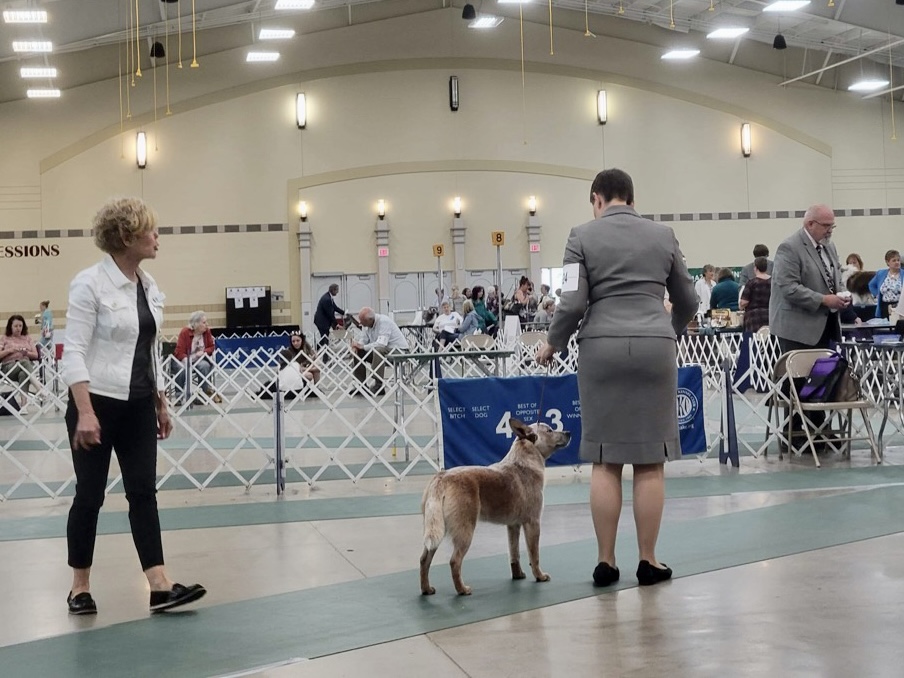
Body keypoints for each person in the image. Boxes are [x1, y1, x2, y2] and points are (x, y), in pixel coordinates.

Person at [535, 168, 696, 588]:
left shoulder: (581, 236)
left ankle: (605, 562)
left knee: (605, 460)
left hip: (601, 349)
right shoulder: (664, 236)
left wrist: (553, 344)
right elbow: (689, 299)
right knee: (650, 462)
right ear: (631, 196)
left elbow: (571, 304)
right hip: (654, 349)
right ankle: (649, 560)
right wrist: (667, 332)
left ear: (597, 199)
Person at [60, 197, 205, 616]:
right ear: (126, 236)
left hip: (141, 403)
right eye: (150, 230)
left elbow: (149, 351)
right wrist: (85, 411)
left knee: (144, 493)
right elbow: (73, 352)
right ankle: (79, 587)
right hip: (97, 403)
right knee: (89, 496)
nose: (157, 237)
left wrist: (160, 400)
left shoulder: (149, 285)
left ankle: (159, 585)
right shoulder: (89, 283)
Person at [769, 204, 848, 351]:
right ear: (810, 224)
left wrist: (842, 295)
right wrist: (824, 300)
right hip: (797, 331)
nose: (830, 231)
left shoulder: (830, 246)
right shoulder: (789, 247)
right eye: (826, 226)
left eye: (832, 226)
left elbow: (835, 275)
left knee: (827, 373)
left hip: (827, 327)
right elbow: (789, 288)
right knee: (799, 374)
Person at [350, 307, 409, 396]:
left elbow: (381, 344)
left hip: (399, 351)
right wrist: (358, 346)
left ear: (370, 320)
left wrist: (363, 346)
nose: (360, 323)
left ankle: (379, 384)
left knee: (378, 350)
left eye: (362, 321)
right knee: (360, 352)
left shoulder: (384, 322)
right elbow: (363, 339)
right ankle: (361, 385)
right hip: (383, 352)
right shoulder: (366, 325)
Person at [173, 311, 221, 404]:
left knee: (204, 366)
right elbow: (179, 351)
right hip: (184, 359)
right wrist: (187, 360)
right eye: (204, 322)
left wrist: (203, 352)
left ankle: (203, 394)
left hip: (200, 359)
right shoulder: (185, 332)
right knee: (181, 368)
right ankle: (179, 395)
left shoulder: (207, 332)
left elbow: (211, 347)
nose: (207, 324)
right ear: (196, 324)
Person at [259, 331, 320, 399]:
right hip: (296, 373)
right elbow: (287, 368)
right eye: (293, 341)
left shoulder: (310, 351)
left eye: (297, 340)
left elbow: (318, 367)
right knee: (309, 375)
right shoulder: (289, 352)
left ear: (302, 340)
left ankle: (315, 388)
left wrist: (306, 368)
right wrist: (303, 368)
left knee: (316, 371)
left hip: (302, 371)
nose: (295, 343)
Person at [0, 315, 41, 414]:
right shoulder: (4, 338)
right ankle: (39, 389)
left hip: (24, 367)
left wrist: (25, 353)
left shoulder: (28, 338)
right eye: (16, 326)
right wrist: (9, 350)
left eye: (20, 326)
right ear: (10, 326)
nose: (18, 328)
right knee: (24, 362)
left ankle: (23, 405)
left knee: (24, 373)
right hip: (8, 368)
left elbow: (35, 355)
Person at [739, 256, 771, 333]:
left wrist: (741, 306)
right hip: (769, 316)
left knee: (749, 343)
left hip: (753, 318)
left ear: (755, 268)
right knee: (769, 343)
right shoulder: (773, 282)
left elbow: (744, 302)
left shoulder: (751, 283)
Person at [868, 250, 902, 319]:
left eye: (898, 260)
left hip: (900, 307)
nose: (897, 262)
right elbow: (871, 285)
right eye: (894, 260)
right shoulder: (881, 273)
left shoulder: (903, 274)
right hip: (884, 307)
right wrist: (877, 294)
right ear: (887, 262)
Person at [314, 284, 345, 349]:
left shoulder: (328, 297)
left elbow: (335, 307)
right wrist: (336, 324)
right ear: (333, 290)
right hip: (322, 322)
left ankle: (315, 350)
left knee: (324, 338)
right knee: (325, 338)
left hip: (322, 321)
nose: (338, 292)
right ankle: (325, 357)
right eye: (337, 290)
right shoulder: (327, 299)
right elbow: (330, 314)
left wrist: (344, 312)